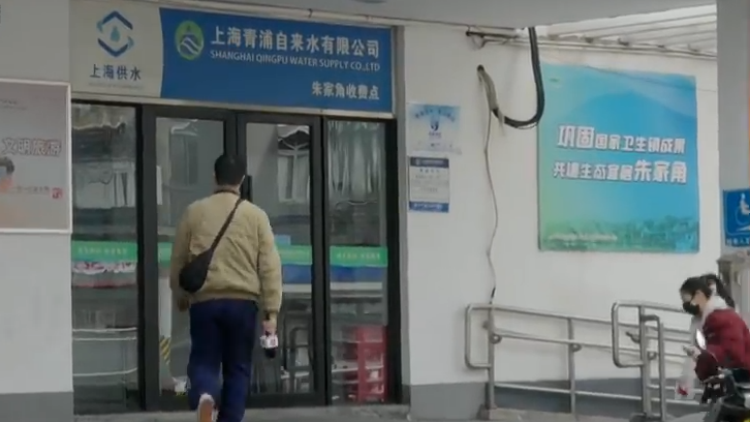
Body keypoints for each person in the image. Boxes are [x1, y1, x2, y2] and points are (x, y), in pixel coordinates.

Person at [169, 154, 283, 422]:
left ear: (214, 177)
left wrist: (181, 295)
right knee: (238, 368)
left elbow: (178, 260)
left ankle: (205, 395)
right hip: (242, 304)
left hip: (205, 302)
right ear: (241, 180)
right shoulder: (256, 216)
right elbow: (270, 267)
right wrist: (271, 313)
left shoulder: (194, 212)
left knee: (203, 360)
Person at [679, 276, 750, 382]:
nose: (686, 306)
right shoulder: (706, 320)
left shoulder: (719, 318)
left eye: (687, 301)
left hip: (742, 377)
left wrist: (703, 355)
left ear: (699, 295)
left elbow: (732, 351)